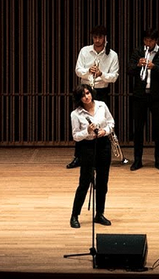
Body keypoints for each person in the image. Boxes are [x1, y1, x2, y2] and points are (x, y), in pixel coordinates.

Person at [67, 25, 120, 169]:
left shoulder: (112, 55)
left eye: (100, 37)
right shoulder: (85, 51)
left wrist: (101, 74)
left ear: (105, 38)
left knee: (101, 124)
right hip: (85, 90)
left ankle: (101, 157)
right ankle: (78, 157)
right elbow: (78, 70)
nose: (97, 40)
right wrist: (88, 71)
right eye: (95, 37)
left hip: (102, 91)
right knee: (81, 125)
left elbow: (114, 77)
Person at [69, 84, 115, 228]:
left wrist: (105, 131)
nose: (87, 97)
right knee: (84, 182)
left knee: (102, 182)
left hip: (103, 145)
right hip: (87, 147)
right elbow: (76, 136)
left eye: (88, 93)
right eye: (83, 95)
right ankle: (74, 215)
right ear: (79, 98)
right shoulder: (76, 114)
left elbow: (111, 122)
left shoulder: (102, 105)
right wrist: (87, 132)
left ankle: (99, 214)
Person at [129, 28, 159, 171]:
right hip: (140, 96)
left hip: (156, 97)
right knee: (138, 130)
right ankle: (137, 160)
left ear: (156, 41)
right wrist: (137, 65)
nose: (148, 43)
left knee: (158, 129)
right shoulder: (138, 52)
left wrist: (154, 67)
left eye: (151, 40)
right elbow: (129, 70)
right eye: (146, 40)